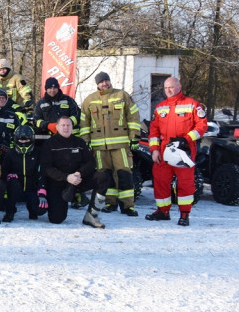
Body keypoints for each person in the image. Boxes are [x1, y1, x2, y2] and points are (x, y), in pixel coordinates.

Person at [145, 76, 207, 226]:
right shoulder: (160, 107)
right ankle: (162, 211)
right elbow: (153, 131)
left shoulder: (192, 105)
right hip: (164, 150)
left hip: (184, 150)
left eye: (171, 87)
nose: (168, 90)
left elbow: (201, 126)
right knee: (160, 181)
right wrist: (154, 150)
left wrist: (187, 139)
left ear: (179, 87)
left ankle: (184, 214)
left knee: (185, 183)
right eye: (166, 88)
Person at [79, 71, 142, 217]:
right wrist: (86, 142)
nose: (104, 83)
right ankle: (110, 203)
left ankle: (128, 206)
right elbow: (84, 123)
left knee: (124, 174)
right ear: (97, 84)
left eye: (106, 80)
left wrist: (134, 137)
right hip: (99, 147)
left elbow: (133, 117)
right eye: (101, 81)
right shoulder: (89, 100)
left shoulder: (122, 95)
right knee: (105, 175)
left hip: (121, 145)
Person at [39, 116, 107, 228]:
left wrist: (79, 173)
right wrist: (67, 177)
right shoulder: (49, 144)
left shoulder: (79, 142)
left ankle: (91, 216)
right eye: (63, 125)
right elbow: (47, 168)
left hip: (78, 179)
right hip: (58, 183)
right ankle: (69, 197)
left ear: (72, 127)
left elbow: (91, 162)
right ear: (57, 127)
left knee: (103, 177)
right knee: (56, 219)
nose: (66, 128)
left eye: (68, 125)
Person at [1, 125, 48, 222]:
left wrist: (42, 192)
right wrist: (9, 177)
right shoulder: (10, 153)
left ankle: (32, 209)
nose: (23, 143)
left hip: (32, 189)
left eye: (26, 140)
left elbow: (42, 173)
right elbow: (3, 171)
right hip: (16, 189)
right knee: (13, 184)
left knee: (40, 210)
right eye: (21, 140)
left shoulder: (39, 153)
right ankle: (10, 212)